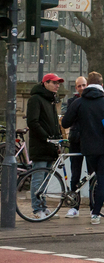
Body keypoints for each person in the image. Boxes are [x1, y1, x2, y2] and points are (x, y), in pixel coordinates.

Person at [62, 72, 104, 225]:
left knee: (92, 175)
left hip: (88, 148)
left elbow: (66, 123)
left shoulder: (79, 102)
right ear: (102, 86)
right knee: (101, 178)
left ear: (87, 86)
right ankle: (96, 213)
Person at [26, 73, 64, 219]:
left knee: (47, 179)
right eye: (54, 83)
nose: (57, 85)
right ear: (45, 83)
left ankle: (44, 207)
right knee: (38, 178)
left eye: (58, 83)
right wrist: (46, 137)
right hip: (41, 145)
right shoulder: (36, 99)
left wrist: (57, 139)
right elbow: (33, 122)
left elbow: (54, 123)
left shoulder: (51, 100)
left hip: (50, 145)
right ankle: (37, 209)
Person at [65, 76, 87, 218]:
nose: (82, 88)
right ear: (76, 88)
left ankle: (94, 209)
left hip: (90, 141)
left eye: (84, 85)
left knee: (93, 174)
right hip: (76, 141)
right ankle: (74, 206)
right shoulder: (72, 102)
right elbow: (68, 119)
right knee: (75, 175)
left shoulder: (93, 101)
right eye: (79, 86)